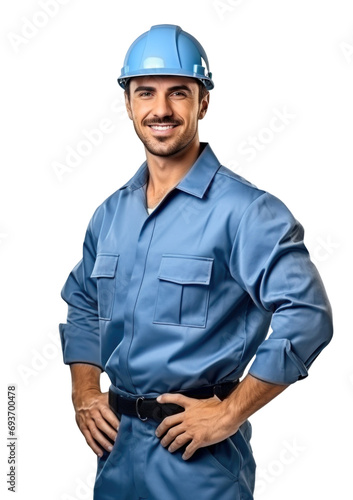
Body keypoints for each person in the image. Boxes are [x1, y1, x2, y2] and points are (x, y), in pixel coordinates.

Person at [59, 24, 333, 500]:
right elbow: (83, 301)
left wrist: (229, 414)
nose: (160, 109)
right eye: (146, 92)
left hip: (197, 462)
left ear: (203, 102)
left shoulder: (247, 211)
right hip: (116, 457)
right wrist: (84, 393)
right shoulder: (111, 213)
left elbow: (308, 316)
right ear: (128, 103)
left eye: (178, 93)